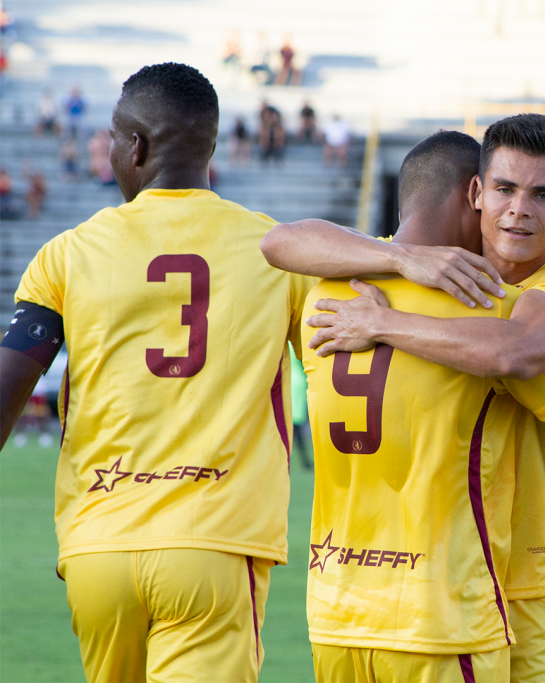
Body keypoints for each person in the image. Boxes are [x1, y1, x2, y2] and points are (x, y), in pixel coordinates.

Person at [269, 114, 545, 682]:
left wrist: (384, 324)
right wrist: (404, 259)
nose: (519, 209)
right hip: (444, 586)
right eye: (505, 189)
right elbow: (279, 240)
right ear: (476, 194)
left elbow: (516, 351)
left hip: (543, 581)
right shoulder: (401, 269)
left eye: (543, 195)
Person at [0, 62, 314, 683]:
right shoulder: (275, 250)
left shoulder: (67, 253)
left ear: (135, 146)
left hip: (98, 549)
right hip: (215, 547)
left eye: (113, 138)